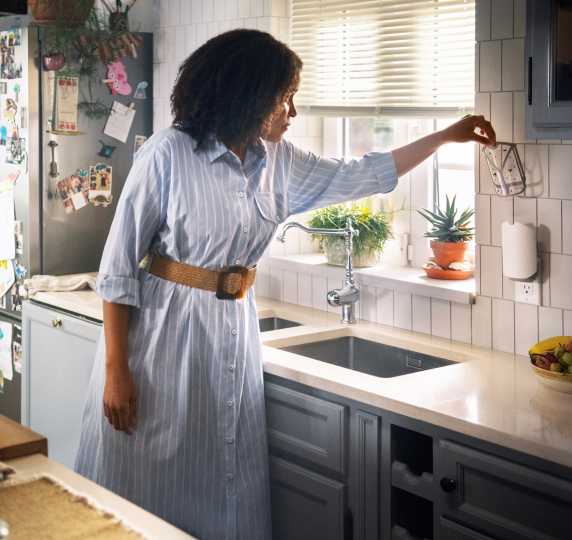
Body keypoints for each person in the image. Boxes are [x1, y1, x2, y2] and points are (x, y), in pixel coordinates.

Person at [75, 29, 495, 540]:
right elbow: (117, 270)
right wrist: (116, 371)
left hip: (232, 337)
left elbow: (363, 173)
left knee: (226, 479)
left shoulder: (281, 162)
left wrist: (443, 136)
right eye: (284, 98)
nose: (292, 111)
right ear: (246, 94)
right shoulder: (167, 155)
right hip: (163, 341)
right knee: (148, 487)